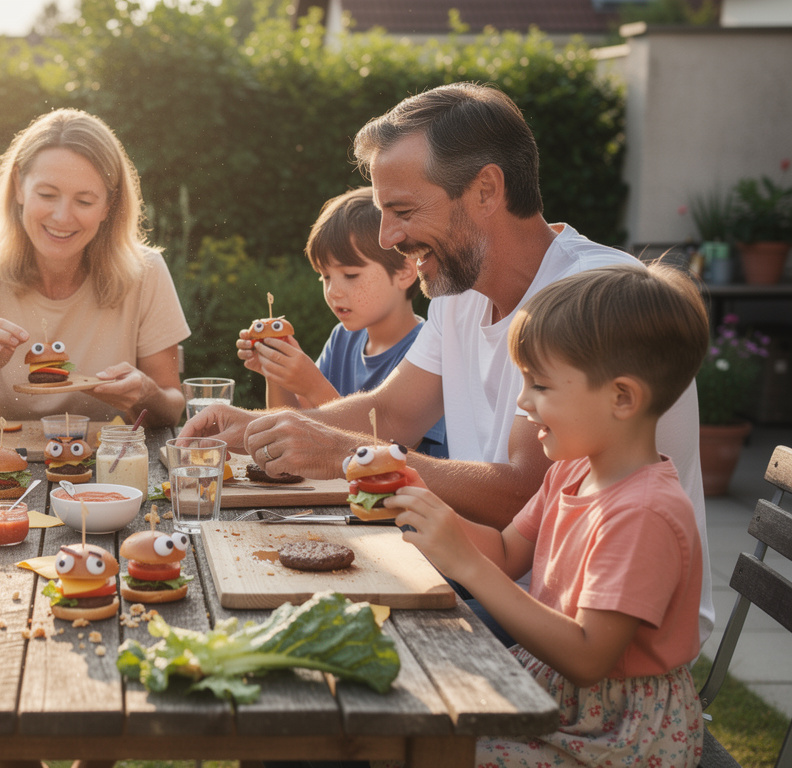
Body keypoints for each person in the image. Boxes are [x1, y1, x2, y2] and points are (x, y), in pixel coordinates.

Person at [180, 82, 714, 645]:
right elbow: (392, 411)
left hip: (569, 622)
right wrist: (256, 428)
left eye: (403, 210)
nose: (388, 237)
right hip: (497, 583)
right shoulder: (459, 287)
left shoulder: (594, 300)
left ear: (486, 188)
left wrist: (352, 458)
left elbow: (526, 490)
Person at [386, 264, 707, 766]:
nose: (523, 401)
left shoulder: (644, 513)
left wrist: (466, 564)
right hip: (558, 694)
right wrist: (424, 498)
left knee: (423, 747)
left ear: (622, 397)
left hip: (616, 732)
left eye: (540, 386)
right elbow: (509, 552)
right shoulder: (572, 471)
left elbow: (586, 657)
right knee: (401, 714)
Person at [0, 108, 190, 430]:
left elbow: (171, 411)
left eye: (84, 201)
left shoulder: (146, 273)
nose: (62, 216)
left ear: (108, 206)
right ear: (18, 186)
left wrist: (146, 392)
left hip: (111, 469)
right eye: (47, 194)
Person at [238, 187, 446, 457]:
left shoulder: (426, 349)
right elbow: (295, 425)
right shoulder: (343, 339)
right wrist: (276, 372)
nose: (333, 291)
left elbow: (388, 455)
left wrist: (314, 386)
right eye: (325, 277)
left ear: (405, 272)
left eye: (350, 274)